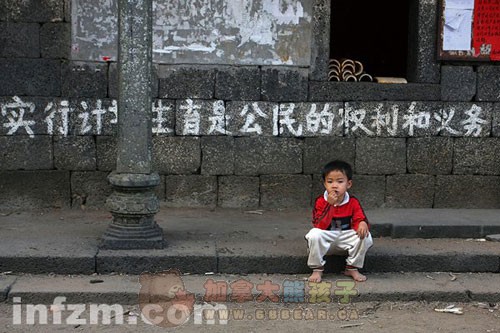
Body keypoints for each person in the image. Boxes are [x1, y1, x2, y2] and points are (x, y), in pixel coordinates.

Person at [305, 160, 373, 282]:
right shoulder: (320, 201)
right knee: (314, 234)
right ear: (325, 184)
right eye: (330, 182)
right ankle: (317, 269)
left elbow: (360, 217)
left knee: (366, 236)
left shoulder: (352, 201)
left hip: (344, 238)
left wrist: (362, 223)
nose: (334, 185)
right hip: (326, 237)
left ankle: (352, 267)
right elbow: (319, 224)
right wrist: (329, 205)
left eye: (340, 181)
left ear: (349, 184)